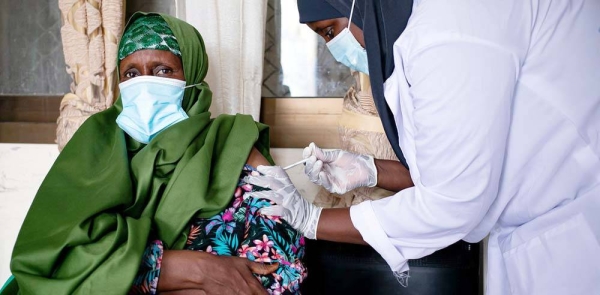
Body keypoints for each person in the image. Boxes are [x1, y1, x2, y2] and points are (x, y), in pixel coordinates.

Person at [246, 0, 600, 294]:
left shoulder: (452, 29)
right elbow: (458, 169)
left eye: (330, 31)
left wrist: (312, 219)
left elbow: (452, 201)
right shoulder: (430, 30)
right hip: (548, 227)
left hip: (575, 233)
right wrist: (371, 170)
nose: (334, 48)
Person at [3, 13, 306, 295]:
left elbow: (279, 277)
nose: (145, 85)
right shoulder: (95, 148)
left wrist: (130, 276)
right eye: (131, 73)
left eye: (163, 70)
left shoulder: (233, 147)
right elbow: (52, 261)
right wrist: (197, 270)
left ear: (192, 75)